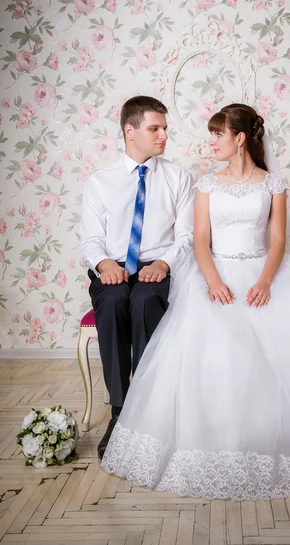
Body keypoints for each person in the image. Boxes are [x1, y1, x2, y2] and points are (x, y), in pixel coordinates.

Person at [101, 103, 290, 500]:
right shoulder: (205, 184)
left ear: (240, 138)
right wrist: (212, 281)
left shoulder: (272, 184)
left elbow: (277, 241)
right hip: (214, 275)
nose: (210, 142)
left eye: (217, 134)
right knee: (215, 348)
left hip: (262, 271)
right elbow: (201, 241)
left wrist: (264, 281)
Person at [80, 96, 194, 459]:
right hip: (112, 268)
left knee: (145, 301)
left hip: (155, 267)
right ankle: (119, 411)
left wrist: (163, 264)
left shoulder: (178, 177)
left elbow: (188, 236)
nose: (163, 135)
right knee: (112, 303)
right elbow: (90, 240)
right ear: (131, 131)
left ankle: (147, 410)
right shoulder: (100, 181)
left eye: (165, 128)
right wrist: (103, 264)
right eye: (155, 128)